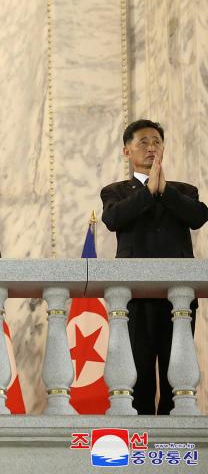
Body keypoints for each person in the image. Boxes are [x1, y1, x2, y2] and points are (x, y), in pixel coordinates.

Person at [100, 119, 207, 415]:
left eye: (157, 142)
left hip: (179, 298)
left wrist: (165, 191)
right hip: (134, 297)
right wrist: (148, 193)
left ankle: (175, 444)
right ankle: (141, 446)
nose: (151, 148)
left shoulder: (184, 189)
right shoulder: (116, 191)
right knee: (140, 375)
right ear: (126, 150)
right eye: (143, 142)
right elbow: (113, 220)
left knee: (178, 376)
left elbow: (198, 217)